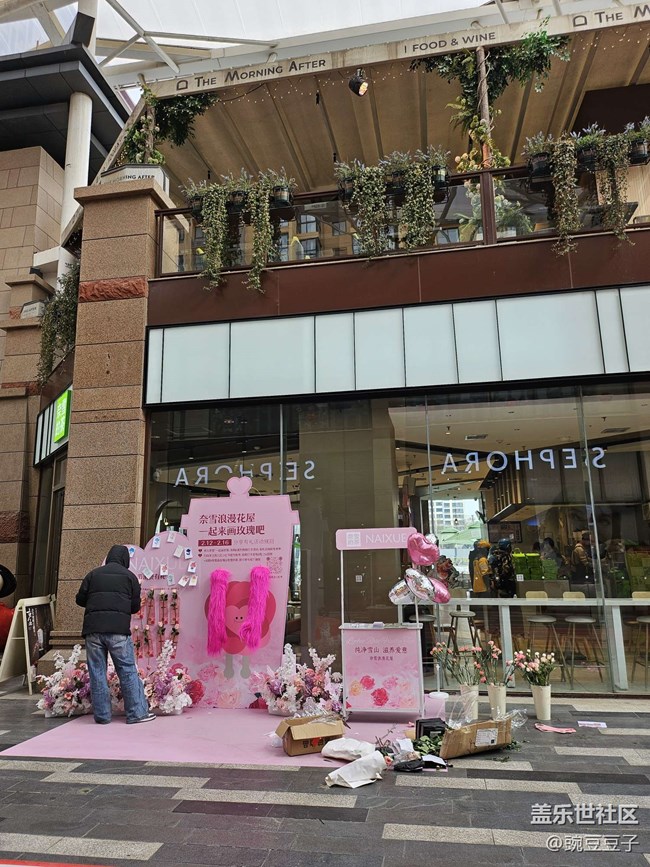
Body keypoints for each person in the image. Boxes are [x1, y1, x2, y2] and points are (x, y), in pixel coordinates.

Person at [76, 545, 154, 725]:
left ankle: (102, 716)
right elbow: (134, 607)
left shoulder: (93, 574)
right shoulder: (130, 577)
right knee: (127, 670)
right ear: (125, 559)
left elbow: (80, 599)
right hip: (118, 631)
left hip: (93, 630)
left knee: (97, 671)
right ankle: (136, 714)